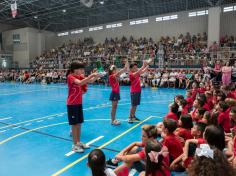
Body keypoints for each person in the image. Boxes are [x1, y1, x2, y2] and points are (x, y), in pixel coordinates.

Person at [66, 61, 99, 153]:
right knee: (74, 124)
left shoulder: (79, 76)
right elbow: (80, 83)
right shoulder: (70, 77)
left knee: (79, 123)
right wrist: (90, 76)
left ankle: (78, 142)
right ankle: (74, 145)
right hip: (72, 104)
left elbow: (90, 81)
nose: (82, 70)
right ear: (74, 69)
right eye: (80, 69)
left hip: (78, 103)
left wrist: (95, 76)